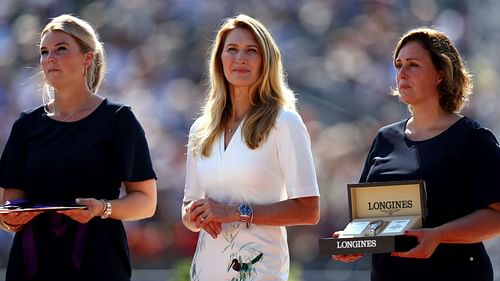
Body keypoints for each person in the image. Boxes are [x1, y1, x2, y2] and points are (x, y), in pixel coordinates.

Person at [332, 27, 500, 281]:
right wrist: (353, 238)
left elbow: (497, 217)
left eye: (413, 65)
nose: (402, 73)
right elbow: (371, 217)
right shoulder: (384, 138)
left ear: (440, 74)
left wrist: (439, 235)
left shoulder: (472, 138)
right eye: (398, 65)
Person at [0, 14, 157, 281]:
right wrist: (10, 218)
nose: (51, 58)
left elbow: (146, 202)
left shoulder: (118, 120)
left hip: (97, 262)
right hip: (33, 263)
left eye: (61, 49)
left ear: (87, 59)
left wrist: (103, 208)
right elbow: (8, 207)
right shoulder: (26, 125)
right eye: (44, 51)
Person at [181, 14, 320, 281]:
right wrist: (195, 214)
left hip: (260, 271)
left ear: (265, 62)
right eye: (232, 49)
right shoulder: (201, 128)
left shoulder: (285, 123)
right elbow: (188, 207)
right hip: (205, 270)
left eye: (251, 51)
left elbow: (309, 210)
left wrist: (234, 213)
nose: (240, 58)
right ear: (220, 60)